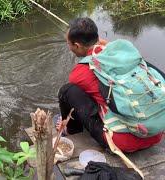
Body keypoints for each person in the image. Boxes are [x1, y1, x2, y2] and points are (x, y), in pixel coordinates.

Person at [56, 17, 163, 152]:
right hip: (155, 133)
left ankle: (71, 129)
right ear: (97, 37)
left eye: (69, 44)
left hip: (123, 142)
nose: (69, 47)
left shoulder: (79, 73)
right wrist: (104, 46)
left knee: (67, 91)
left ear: (76, 46)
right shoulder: (126, 50)